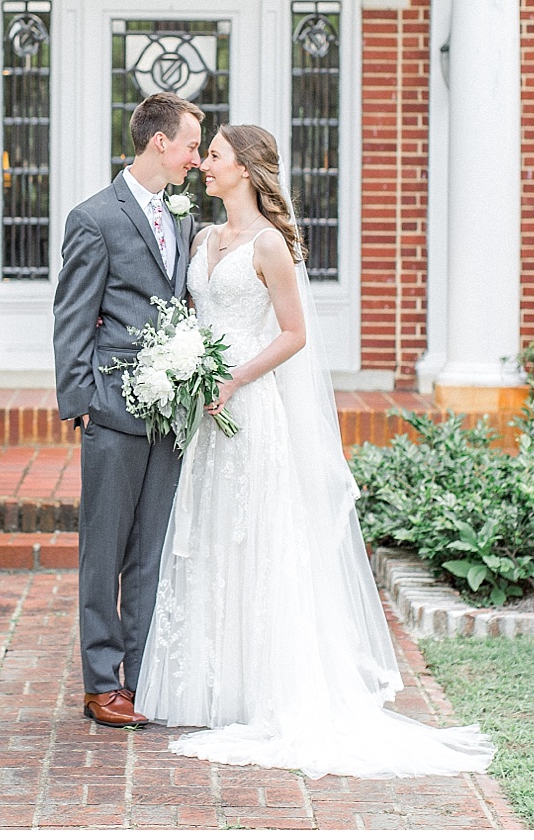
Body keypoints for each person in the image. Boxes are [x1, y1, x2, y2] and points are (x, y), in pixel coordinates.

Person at [132, 123, 497, 778]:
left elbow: (295, 334)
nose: (203, 165)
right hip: (208, 417)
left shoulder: (271, 245)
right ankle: (219, 685)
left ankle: (269, 687)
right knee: (213, 536)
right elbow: (195, 317)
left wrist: (234, 375)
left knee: (261, 540)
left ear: (244, 167)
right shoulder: (205, 237)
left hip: (251, 409)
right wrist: (185, 364)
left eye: (213, 155)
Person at [52, 92, 204, 728]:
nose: (197, 160)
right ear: (159, 143)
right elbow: (72, 317)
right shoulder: (94, 218)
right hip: (113, 410)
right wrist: (83, 402)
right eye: (192, 145)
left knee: (153, 550)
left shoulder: (187, 218)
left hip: (169, 412)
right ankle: (100, 681)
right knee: (104, 550)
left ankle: (142, 677)